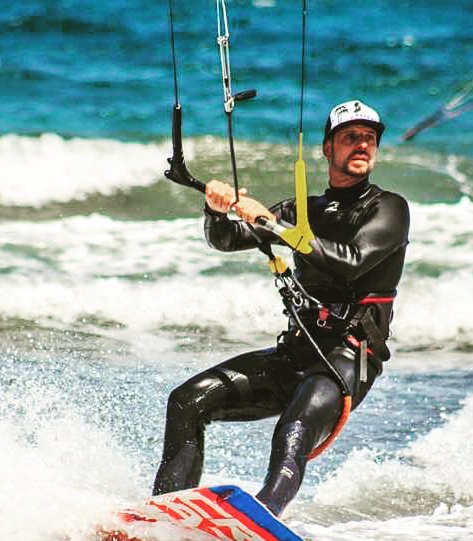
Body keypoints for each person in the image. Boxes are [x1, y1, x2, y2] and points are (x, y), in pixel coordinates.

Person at [152, 100, 410, 516]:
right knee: (186, 401)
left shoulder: (388, 208)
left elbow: (352, 261)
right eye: (350, 137)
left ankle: (262, 519)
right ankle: (163, 514)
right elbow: (228, 239)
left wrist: (272, 224)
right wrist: (216, 210)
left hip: (347, 356)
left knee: (295, 426)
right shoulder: (300, 209)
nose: (362, 145)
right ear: (328, 149)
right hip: (296, 352)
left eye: (369, 138)